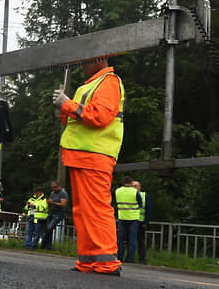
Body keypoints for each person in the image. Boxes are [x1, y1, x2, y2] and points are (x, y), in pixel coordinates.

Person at [53, 56, 125, 275]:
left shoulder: (109, 81)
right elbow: (78, 118)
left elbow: (99, 116)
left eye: (87, 60)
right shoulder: (92, 84)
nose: (82, 63)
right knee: (83, 211)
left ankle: (106, 262)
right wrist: (64, 110)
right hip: (83, 154)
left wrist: (66, 104)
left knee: (96, 209)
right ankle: (88, 261)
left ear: (101, 59)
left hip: (95, 154)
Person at [115, 175, 143, 263]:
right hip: (133, 218)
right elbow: (140, 204)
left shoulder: (117, 191)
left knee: (120, 238)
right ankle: (130, 258)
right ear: (131, 183)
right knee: (132, 239)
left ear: (124, 182)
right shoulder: (135, 192)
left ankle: (119, 257)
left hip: (122, 217)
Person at [41, 180, 69, 249]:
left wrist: (53, 202)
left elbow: (63, 204)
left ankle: (43, 244)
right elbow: (50, 201)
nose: (53, 189)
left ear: (58, 186)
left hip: (58, 213)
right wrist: (48, 202)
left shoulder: (63, 193)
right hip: (51, 212)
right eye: (52, 188)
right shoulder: (52, 193)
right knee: (48, 229)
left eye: (55, 187)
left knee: (49, 228)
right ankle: (48, 246)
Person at [133, 180, 151, 264]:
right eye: (133, 186)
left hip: (140, 222)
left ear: (140, 187)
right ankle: (130, 258)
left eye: (136, 186)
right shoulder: (130, 195)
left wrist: (145, 222)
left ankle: (142, 259)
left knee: (140, 241)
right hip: (132, 221)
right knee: (131, 241)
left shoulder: (144, 195)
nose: (135, 187)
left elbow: (149, 210)